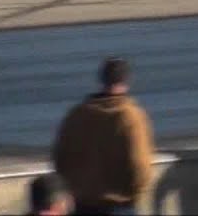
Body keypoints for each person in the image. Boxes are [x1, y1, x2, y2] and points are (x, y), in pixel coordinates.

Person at [52, 57, 156, 216]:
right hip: (119, 206)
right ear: (127, 80)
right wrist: (133, 193)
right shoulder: (130, 117)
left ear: (101, 79)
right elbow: (139, 165)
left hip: (82, 205)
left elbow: (60, 158)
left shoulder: (77, 115)